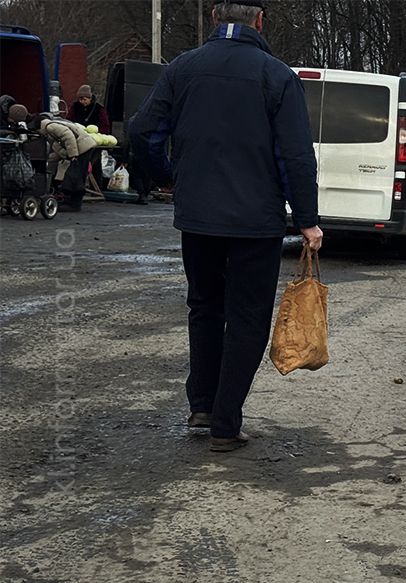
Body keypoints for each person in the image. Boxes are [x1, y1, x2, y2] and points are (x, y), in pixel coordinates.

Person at [129, 0, 320, 451]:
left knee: (205, 307)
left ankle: (201, 405)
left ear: (215, 19)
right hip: (256, 222)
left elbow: (142, 130)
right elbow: (293, 156)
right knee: (247, 318)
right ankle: (225, 422)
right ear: (260, 21)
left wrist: (167, 175)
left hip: (197, 217)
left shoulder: (183, 68)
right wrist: (308, 220)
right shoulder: (276, 76)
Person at [31, 111, 98, 212]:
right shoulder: (49, 130)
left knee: (74, 176)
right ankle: (71, 202)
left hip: (83, 148)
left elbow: (68, 136)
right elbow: (58, 150)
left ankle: (73, 204)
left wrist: (73, 156)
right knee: (76, 176)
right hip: (83, 148)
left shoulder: (50, 127)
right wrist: (49, 166)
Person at [68, 84, 112, 189]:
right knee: (81, 161)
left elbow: (105, 124)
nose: (83, 101)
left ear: (90, 98)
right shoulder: (75, 107)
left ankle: (97, 186)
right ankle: (78, 184)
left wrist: (101, 135)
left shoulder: (98, 108)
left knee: (95, 163)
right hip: (78, 136)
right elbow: (69, 119)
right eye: (81, 99)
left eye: (85, 99)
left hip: (95, 138)